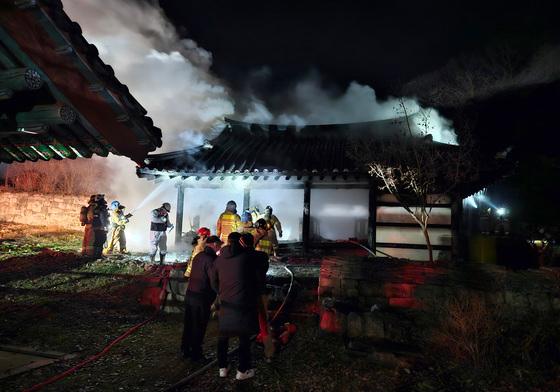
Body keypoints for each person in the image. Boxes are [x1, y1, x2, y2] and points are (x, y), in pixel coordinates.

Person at [210, 232, 259, 380]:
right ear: (241, 241)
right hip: (242, 303)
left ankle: (222, 368)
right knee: (244, 338)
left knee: (223, 336)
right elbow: (254, 279)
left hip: (226, 303)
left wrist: (221, 292)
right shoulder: (246, 258)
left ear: (227, 242)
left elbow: (213, 281)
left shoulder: (219, 259)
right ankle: (242, 371)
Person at [181, 235, 223, 361]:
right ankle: (196, 354)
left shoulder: (198, 256)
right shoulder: (212, 259)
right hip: (202, 297)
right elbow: (213, 280)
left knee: (189, 324)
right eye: (219, 245)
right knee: (199, 326)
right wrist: (220, 292)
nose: (220, 247)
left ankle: (185, 349)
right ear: (214, 244)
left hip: (190, 295)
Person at [240, 232, 274, 361]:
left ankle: (244, 354)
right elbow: (264, 270)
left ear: (242, 243)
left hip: (245, 293)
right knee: (264, 323)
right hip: (260, 292)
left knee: (242, 323)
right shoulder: (262, 256)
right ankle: (269, 353)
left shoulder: (240, 257)